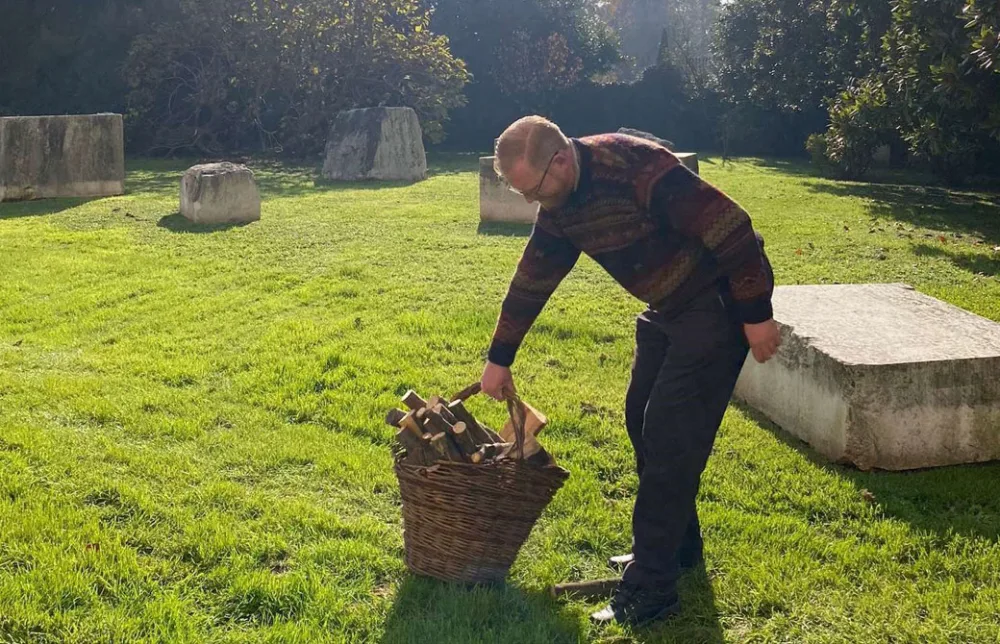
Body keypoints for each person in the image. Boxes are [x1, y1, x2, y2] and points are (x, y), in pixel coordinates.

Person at [479, 116, 780, 627]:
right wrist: (499, 357)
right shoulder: (558, 202)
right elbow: (534, 277)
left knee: (668, 438)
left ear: (560, 159)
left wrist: (756, 316)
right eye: (523, 193)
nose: (533, 202)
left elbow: (732, 226)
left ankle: (652, 588)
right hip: (668, 308)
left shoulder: (633, 166)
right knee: (641, 420)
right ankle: (676, 551)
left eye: (534, 189)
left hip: (716, 302)